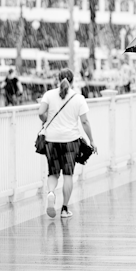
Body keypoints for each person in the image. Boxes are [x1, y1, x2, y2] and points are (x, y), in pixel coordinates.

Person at [38, 69, 96, 219]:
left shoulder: (49, 95)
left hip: (51, 140)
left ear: (58, 79)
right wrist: (92, 140)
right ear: (72, 81)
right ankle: (64, 209)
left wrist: (45, 119)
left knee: (53, 172)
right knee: (68, 174)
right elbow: (84, 121)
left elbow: (40, 112)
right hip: (71, 140)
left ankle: (51, 193)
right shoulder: (78, 98)